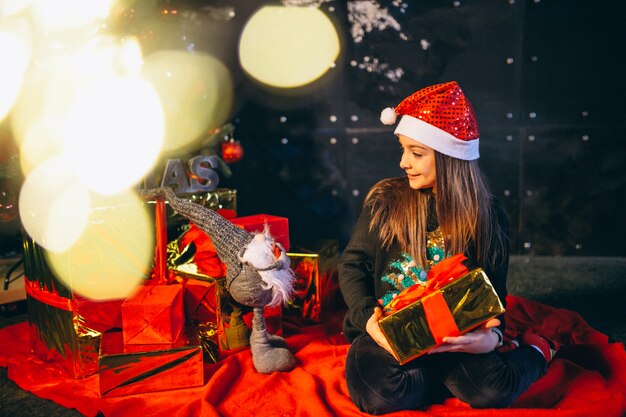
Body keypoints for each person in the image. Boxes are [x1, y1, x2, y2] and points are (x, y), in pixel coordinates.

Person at [338, 81, 558, 414]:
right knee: (377, 394)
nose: (403, 162)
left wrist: (492, 338)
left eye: (416, 153)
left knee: (492, 392)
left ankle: (537, 351)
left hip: (455, 333)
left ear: (450, 157)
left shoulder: (487, 214)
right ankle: (434, 377)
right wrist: (367, 317)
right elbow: (352, 265)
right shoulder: (386, 201)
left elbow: (493, 291)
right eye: (402, 149)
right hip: (389, 328)